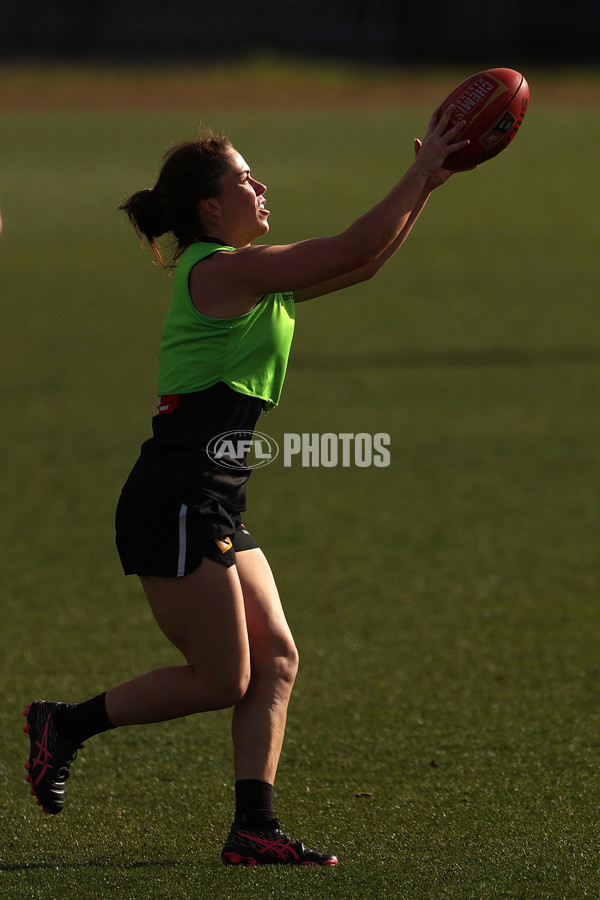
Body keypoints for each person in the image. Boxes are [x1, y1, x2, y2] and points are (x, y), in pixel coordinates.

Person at [23, 106, 469, 866]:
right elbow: (353, 244)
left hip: (213, 492)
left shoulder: (255, 280)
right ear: (208, 206)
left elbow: (362, 263)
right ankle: (62, 725)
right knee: (223, 677)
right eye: (242, 179)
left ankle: (252, 829)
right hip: (176, 493)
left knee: (278, 660)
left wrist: (428, 187)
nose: (260, 187)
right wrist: (420, 172)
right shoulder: (224, 270)